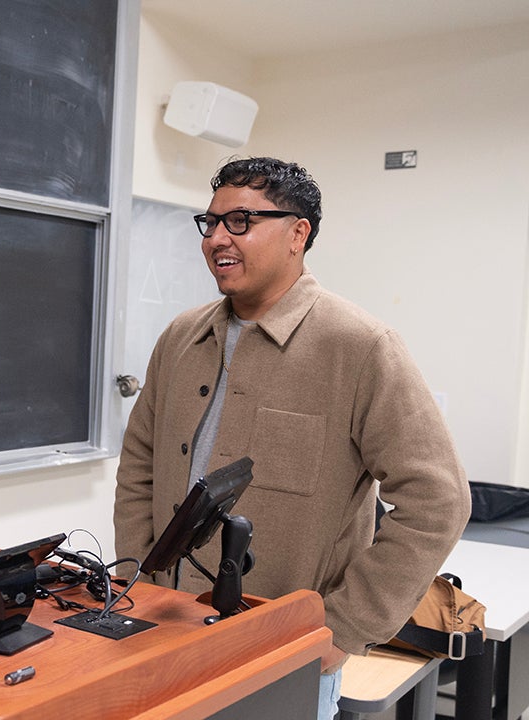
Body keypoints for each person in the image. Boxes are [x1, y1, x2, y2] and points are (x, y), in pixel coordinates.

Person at [113, 157, 468, 718]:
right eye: (211, 222)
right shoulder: (180, 337)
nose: (217, 239)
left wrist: (343, 627)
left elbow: (438, 501)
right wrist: (133, 576)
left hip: (281, 658)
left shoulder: (360, 346)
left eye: (240, 221)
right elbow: (140, 462)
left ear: (298, 234)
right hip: (160, 634)